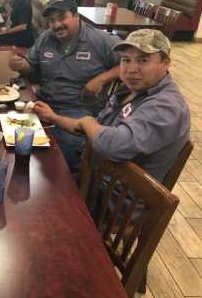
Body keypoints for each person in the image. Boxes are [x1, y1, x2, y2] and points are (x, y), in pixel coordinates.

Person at [33, 29, 190, 184]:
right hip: (94, 177)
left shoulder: (167, 106)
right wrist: (53, 117)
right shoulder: (131, 90)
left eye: (143, 60)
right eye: (126, 60)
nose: (131, 69)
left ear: (166, 63)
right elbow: (96, 128)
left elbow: (112, 145)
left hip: (113, 201)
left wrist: (87, 122)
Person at [9, 0, 119, 175]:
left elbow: (131, 63)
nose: (56, 25)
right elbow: (31, 66)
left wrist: (102, 78)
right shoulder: (46, 38)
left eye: (62, 17)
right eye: (52, 20)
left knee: (63, 163)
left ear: (76, 16)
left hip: (79, 113)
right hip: (44, 103)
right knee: (12, 134)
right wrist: (20, 65)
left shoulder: (100, 40)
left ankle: (70, 194)